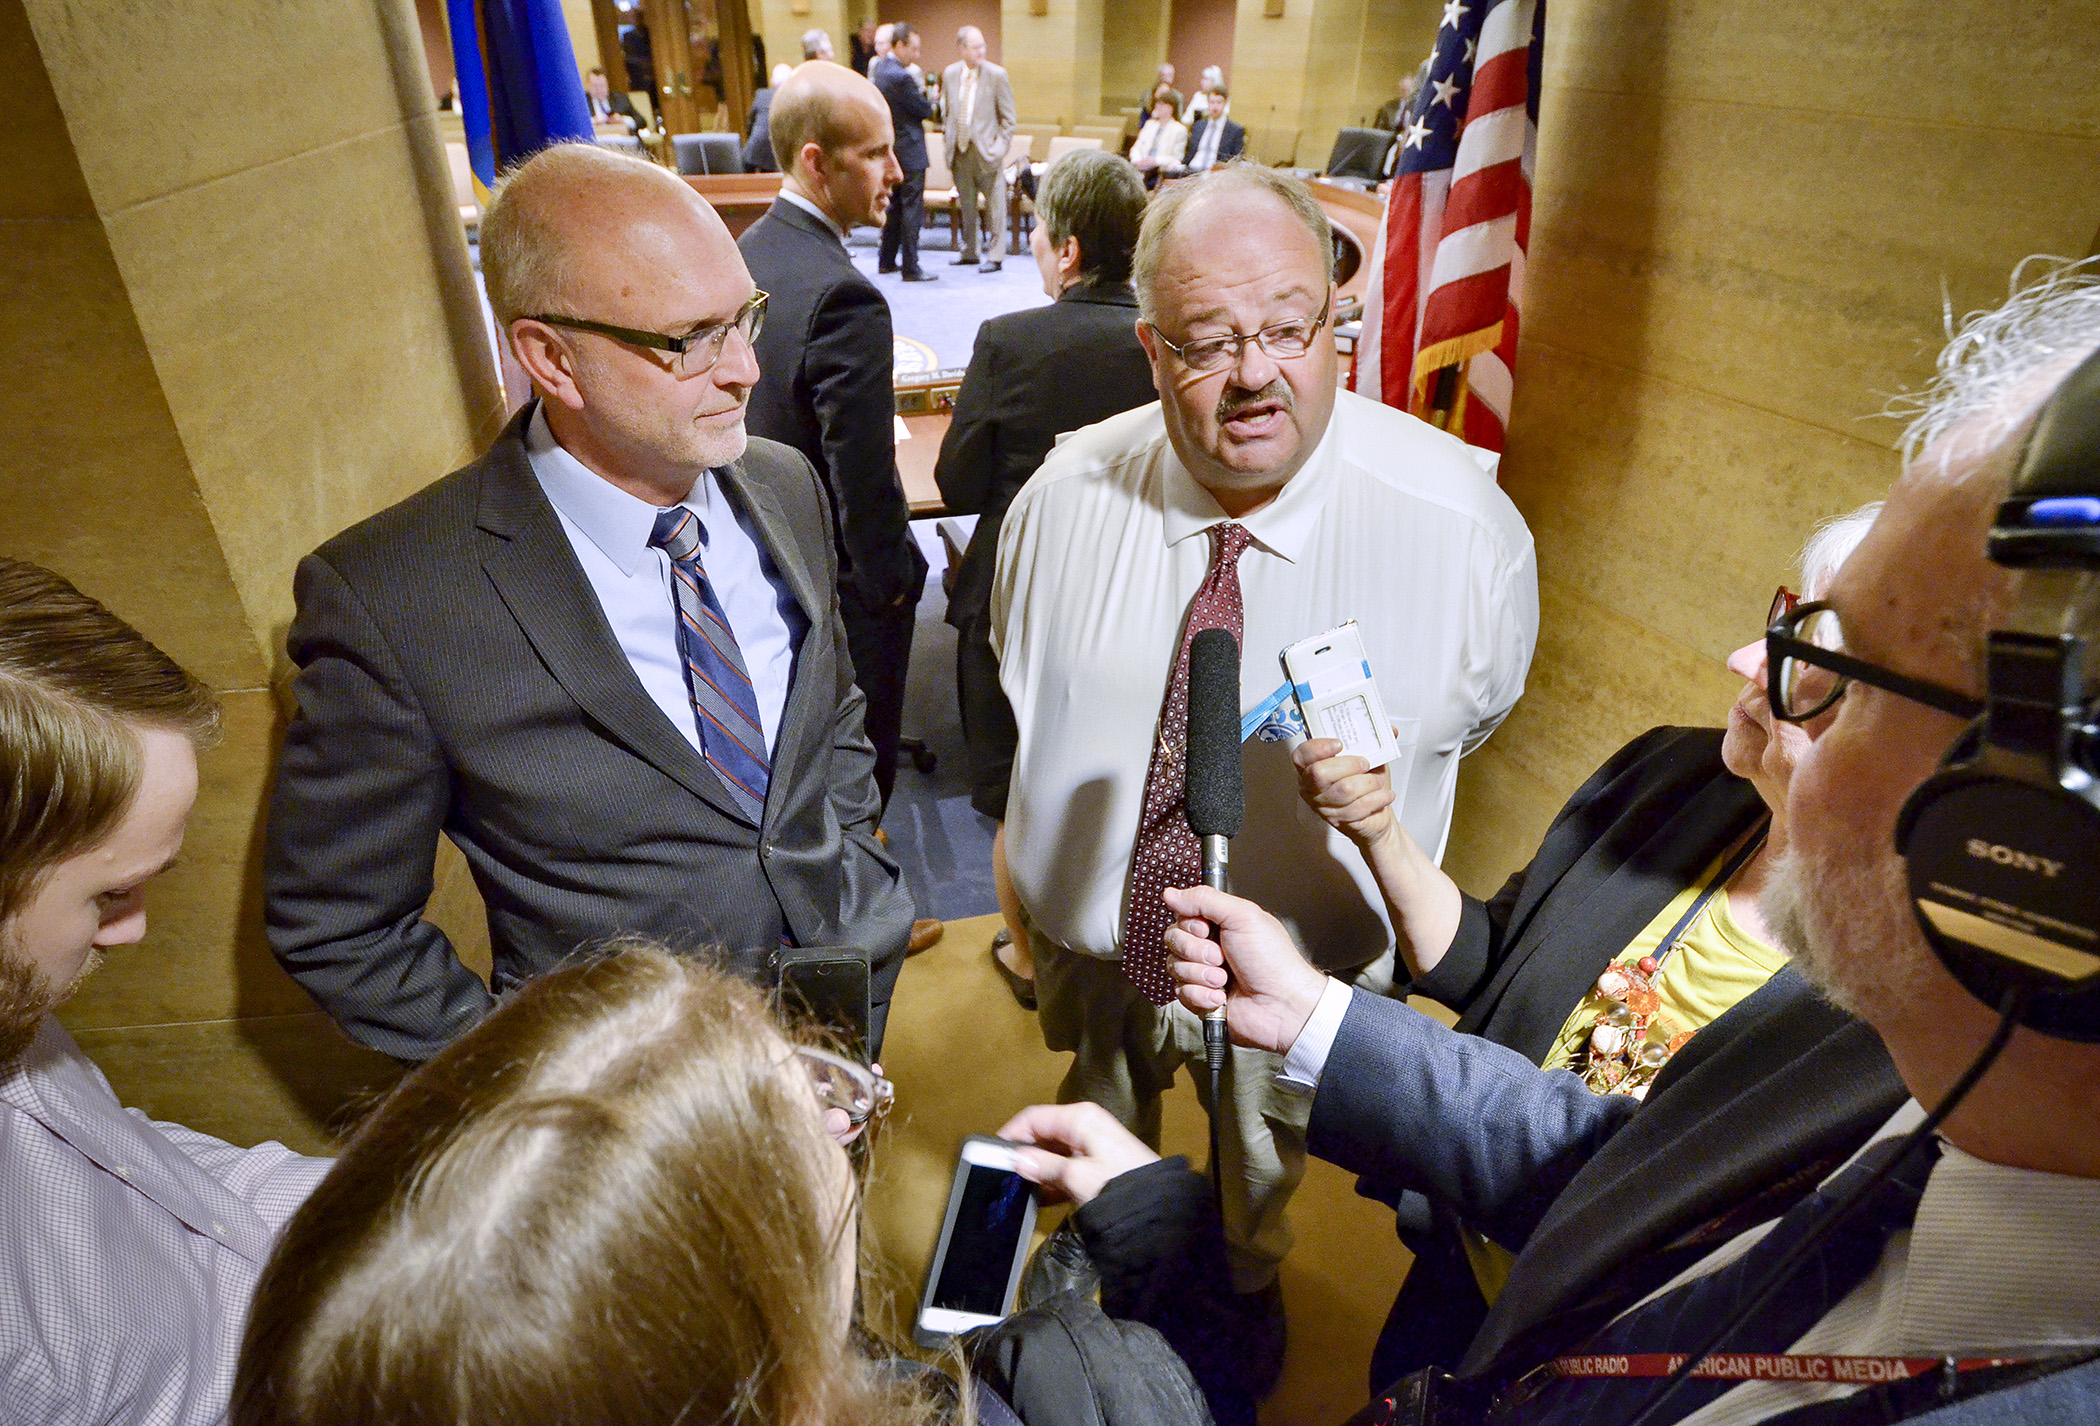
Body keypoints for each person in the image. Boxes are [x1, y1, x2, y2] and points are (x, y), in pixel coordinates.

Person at [1165, 263, 2100, 1422]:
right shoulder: (1934, 1044)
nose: (1749, 674)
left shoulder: (1880, 1004)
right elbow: (1629, 1167)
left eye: (1833, 664)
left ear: (2025, 853)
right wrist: (1312, 1010)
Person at [991, 164, 1536, 1333]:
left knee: (1261, 1174)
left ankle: (1246, 1278)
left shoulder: (1464, 530)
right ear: (1150, 349)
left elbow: (1474, 715)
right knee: (1101, 1125)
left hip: (1301, 968)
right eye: (1207, 341)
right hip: (1099, 945)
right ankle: (1106, 1249)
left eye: (1290, 329)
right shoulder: (1060, 497)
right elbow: (1019, 682)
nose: (1255, 375)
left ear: (1338, 324)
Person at [263, 143, 916, 1064]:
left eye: (746, 320)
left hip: (842, 1007)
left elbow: (830, 705)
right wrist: (541, 1085)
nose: (745, 373)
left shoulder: (784, 482)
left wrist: (861, 867)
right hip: (623, 1110)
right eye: (693, 340)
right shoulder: (392, 597)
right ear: (553, 361)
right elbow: (338, 925)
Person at [1293, 503, 1877, 1383]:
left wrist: (1310, 1016)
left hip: (1593, 1363)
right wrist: (1381, 832)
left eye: (1808, 658)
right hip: (1462, 1260)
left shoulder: (1880, 1006)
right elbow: (1494, 960)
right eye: (1783, 622)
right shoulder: (1669, 777)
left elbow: (1624, 1197)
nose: (1744, 660)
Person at [231, 945, 1261, 1426]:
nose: (839, 1109)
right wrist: (1158, 1223)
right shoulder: (1090, 1394)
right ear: (787, 1381)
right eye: (808, 1110)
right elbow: (1207, 1390)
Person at [0, 558, 331, 1424]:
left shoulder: (15, 1005)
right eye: (108, 894)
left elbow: (135, 1172)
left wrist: (432, 1201)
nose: (133, 930)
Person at [932, 150, 1158, 1005]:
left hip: (1015, 600)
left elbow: (956, 485)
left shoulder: (1009, 341)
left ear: (1065, 250)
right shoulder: (1164, 342)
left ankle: (1028, 958)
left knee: (1017, 783)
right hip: (1140, 596)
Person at [740, 62, 930, 812]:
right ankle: (870, 908)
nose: (899, 169)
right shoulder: (846, 297)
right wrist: (891, 585)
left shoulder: (752, 247)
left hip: (762, 549)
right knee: (858, 760)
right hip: (834, 583)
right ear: (817, 162)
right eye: (878, 153)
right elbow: (861, 476)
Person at [940, 26, 1015, 272]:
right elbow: (947, 112)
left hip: (987, 153)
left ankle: (995, 256)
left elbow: (1008, 119)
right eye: (976, 46)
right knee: (967, 206)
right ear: (962, 49)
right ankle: (970, 251)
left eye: (983, 45)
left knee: (996, 208)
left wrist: (999, 148)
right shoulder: (950, 74)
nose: (982, 50)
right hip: (960, 151)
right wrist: (947, 139)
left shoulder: (997, 75)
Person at [873, 23, 937, 282]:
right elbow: (924, 110)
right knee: (911, 209)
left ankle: (887, 260)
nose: (917, 55)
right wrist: (930, 98)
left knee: (894, 207)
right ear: (899, 45)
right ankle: (911, 266)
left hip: (892, 150)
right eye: (914, 48)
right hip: (909, 151)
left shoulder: (880, 69)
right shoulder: (901, 76)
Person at [741, 61, 793, 172]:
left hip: (753, 153)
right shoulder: (794, 99)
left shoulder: (761, 95)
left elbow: (749, 124)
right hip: (776, 158)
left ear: (772, 81)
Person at [1128, 96, 1187, 188]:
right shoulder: (1149, 124)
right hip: (1141, 167)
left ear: (1171, 108)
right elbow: (1136, 147)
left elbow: (1177, 157)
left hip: (1160, 170)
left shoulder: (1179, 129)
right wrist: (1137, 160)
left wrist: (1155, 161)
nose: (1158, 107)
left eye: (1162, 105)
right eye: (1157, 104)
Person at [1182, 87, 1243, 173]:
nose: (1215, 106)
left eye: (1219, 102)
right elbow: (1188, 153)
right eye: (1212, 102)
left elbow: (1235, 161)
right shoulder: (1198, 126)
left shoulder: (1235, 130)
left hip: (1214, 175)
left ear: (1225, 103)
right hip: (1191, 170)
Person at [585, 66, 645, 133]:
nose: (599, 90)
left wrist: (623, 120)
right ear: (588, 85)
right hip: (596, 140)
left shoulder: (620, 99)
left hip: (621, 139)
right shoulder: (582, 102)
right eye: (595, 86)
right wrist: (592, 121)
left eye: (602, 85)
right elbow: (576, 124)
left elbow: (642, 122)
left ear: (607, 85)